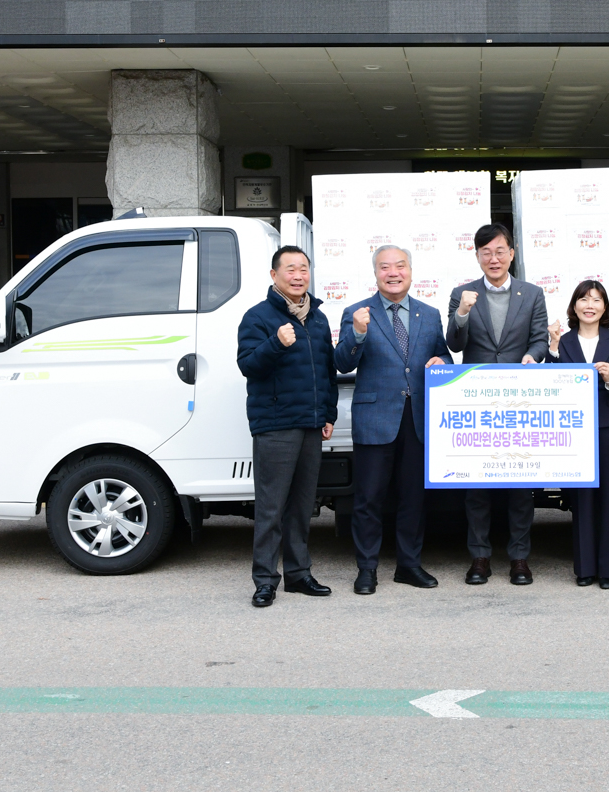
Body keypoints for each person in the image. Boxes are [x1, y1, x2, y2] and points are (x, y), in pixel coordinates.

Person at [334, 244, 452, 595]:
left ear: (411, 272)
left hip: (417, 418)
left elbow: (442, 351)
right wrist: (356, 334)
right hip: (375, 418)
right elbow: (342, 363)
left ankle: (409, 565)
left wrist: (442, 362)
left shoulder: (429, 315)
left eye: (400, 266)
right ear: (376, 274)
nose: (393, 272)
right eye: (385, 267)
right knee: (369, 499)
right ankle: (367, 569)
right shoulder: (357, 312)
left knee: (412, 497)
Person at [445, 222, 550, 586]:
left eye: (500, 251)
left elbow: (539, 339)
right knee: (478, 488)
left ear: (512, 253)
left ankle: (519, 558)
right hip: (478, 403)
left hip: (519, 402)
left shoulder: (532, 293)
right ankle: (480, 557)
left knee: (520, 487)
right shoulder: (463, 293)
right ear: (477, 256)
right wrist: (461, 313)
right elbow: (455, 344)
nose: (494, 258)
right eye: (485, 252)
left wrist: (533, 357)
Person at [235, 245, 337, 608]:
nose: (298, 275)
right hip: (276, 424)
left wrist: (329, 414)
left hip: (311, 424)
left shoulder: (319, 318)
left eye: (304, 269)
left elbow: (326, 372)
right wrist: (276, 343)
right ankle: (265, 580)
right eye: (290, 269)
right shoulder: (259, 317)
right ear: (274, 275)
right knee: (271, 507)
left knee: (301, 506)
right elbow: (248, 364)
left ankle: (298, 575)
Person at [547, 280, 609, 589]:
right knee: (581, 500)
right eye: (583, 299)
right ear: (574, 307)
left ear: (605, 309)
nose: (590, 305)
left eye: (596, 300)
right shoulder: (565, 341)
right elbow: (552, 382)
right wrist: (553, 348)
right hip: (575, 430)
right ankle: (584, 568)